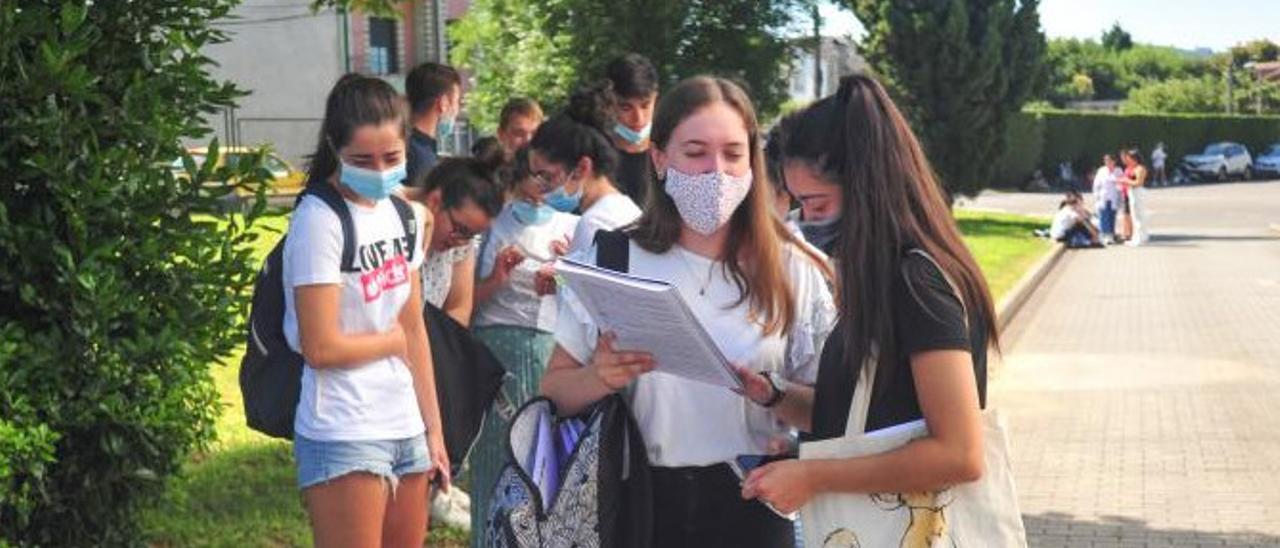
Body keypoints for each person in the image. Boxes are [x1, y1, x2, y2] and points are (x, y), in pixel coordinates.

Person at [540, 76, 837, 547]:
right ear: (660, 159)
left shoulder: (792, 270)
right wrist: (600, 375)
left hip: (754, 507)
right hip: (638, 508)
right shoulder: (613, 258)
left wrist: (775, 395)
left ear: (753, 162)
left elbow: (833, 411)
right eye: (695, 152)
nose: (715, 171)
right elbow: (554, 392)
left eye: (733, 154)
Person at [730, 75, 999, 520]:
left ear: (866, 188)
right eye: (798, 204)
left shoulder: (916, 282)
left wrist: (814, 475)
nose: (805, 222)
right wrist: (777, 395)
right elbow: (870, 416)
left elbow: (959, 454)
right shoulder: (876, 279)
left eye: (816, 205)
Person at [283, 74, 447, 547]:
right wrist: (390, 343)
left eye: (392, 159)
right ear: (335, 148)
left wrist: (434, 431)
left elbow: (414, 328)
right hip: (343, 429)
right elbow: (319, 346)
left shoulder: (401, 213)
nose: (379, 171)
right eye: (362, 161)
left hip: (405, 426)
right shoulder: (319, 219)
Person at [467, 148, 579, 545]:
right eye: (535, 176)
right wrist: (498, 276)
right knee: (497, 462)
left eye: (550, 177)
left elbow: (594, 308)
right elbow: (462, 304)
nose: (542, 187)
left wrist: (572, 272)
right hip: (496, 357)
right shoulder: (491, 225)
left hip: (554, 356)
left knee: (548, 465)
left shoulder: (575, 226)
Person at [528, 82, 642, 255]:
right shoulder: (625, 208)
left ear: (581, 168)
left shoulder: (594, 224)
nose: (540, 188)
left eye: (547, 176)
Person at [604, 53, 660, 207]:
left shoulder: (672, 154)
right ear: (608, 103)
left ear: (655, 99)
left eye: (645, 105)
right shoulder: (595, 157)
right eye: (626, 107)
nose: (638, 118)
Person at [405, 62, 463, 185]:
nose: (458, 110)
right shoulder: (419, 157)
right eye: (457, 102)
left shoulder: (406, 144)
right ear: (443, 103)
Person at [1119, 148, 1150, 246]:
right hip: (1132, 192)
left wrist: (1125, 181)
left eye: (1129, 159)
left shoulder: (1140, 168)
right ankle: (1137, 237)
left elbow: (1139, 182)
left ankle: (1140, 238)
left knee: (1138, 216)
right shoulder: (1134, 168)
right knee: (1134, 216)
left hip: (1137, 192)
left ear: (1135, 159)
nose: (1127, 161)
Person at [1092, 154, 1122, 245]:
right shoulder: (1101, 170)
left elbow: (1121, 183)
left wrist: (1120, 195)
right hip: (1103, 197)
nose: (1107, 162)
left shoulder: (1118, 171)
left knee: (1112, 216)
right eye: (1105, 160)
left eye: (1109, 160)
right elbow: (1096, 184)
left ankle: (1111, 235)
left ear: (1114, 161)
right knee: (1104, 216)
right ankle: (1105, 235)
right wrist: (1096, 196)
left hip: (1114, 197)